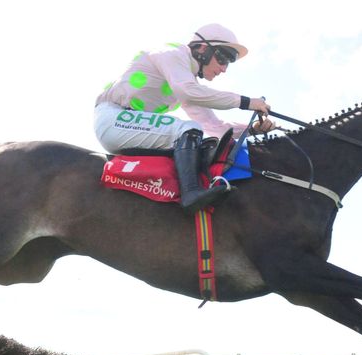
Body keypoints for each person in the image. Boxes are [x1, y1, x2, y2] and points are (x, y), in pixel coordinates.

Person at [94, 23, 276, 213]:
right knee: (189, 128)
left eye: (229, 62)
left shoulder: (184, 79)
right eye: (223, 58)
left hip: (126, 125)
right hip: (112, 118)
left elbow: (214, 126)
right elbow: (188, 92)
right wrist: (247, 102)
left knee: (196, 134)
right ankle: (191, 194)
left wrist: (252, 129)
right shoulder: (173, 54)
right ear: (203, 48)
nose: (224, 68)